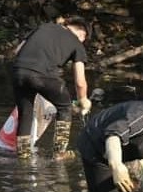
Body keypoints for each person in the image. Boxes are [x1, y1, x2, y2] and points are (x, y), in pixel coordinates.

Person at [11, 16, 92, 159]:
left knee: (26, 112)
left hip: (19, 71)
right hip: (43, 75)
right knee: (65, 106)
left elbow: (17, 51)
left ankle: (23, 155)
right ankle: (59, 153)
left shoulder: (43, 27)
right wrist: (83, 100)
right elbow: (80, 81)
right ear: (82, 34)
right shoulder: (76, 43)